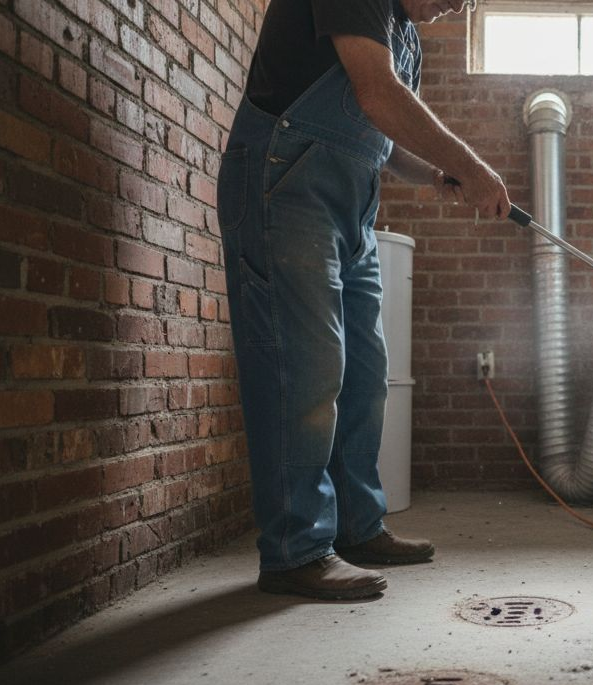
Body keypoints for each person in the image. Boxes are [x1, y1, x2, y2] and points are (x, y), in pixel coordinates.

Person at [216, 0, 510, 599]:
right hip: (286, 184)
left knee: (366, 373)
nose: (459, 6)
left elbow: (378, 128)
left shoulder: (406, 36)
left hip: (352, 208)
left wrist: (433, 172)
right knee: (304, 369)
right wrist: (471, 166)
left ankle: (357, 525)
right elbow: (377, 95)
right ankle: (296, 550)